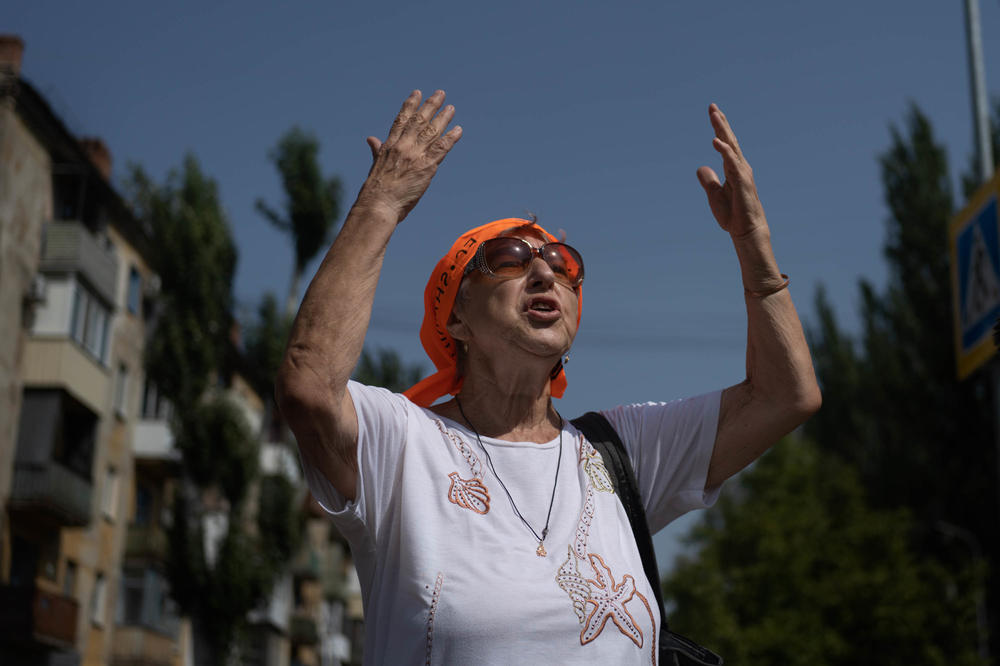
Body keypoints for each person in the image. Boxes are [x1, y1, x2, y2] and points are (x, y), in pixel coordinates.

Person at [276, 89, 821, 664]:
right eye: (508, 258)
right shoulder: (405, 445)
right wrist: (381, 201)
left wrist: (752, 243)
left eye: (564, 264)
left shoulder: (621, 452)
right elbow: (309, 387)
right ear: (455, 318)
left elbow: (785, 396)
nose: (543, 270)